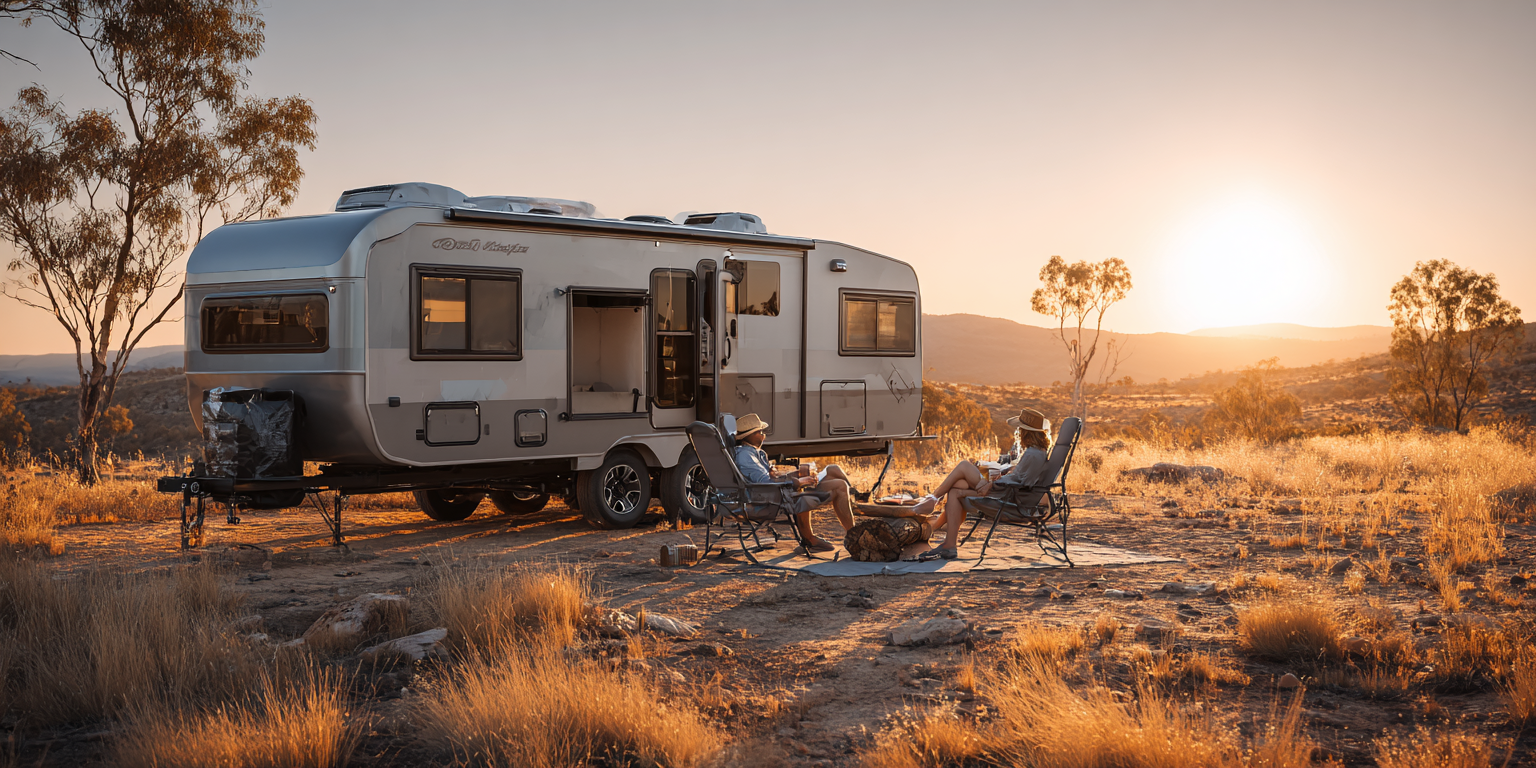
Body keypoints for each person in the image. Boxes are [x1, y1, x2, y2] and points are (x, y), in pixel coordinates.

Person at [912, 407, 1055, 561]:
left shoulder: (1032, 454)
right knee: (957, 486)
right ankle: (946, 541)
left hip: (1004, 496)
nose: (1018, 433)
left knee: (963, 467)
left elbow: (1020, 483)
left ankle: (933, 500)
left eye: (1020, 430)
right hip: (1006, 492)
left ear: (1026, 433)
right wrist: (1006, 472)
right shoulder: (1037, 452)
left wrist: (992, 484)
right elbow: (1021, 477)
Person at [731, 413, 855, 553]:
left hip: (778, 492)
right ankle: (853, 537)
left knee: (833, 469)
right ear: (750, 435)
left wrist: (793, 475)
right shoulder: (745, 456)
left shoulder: (753, 453)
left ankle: (850, 505)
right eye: (760, 432)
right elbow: (766, 484)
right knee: (840, 486)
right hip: (774, 500)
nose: (764, 435)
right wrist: (799, 481)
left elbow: (769, 480)